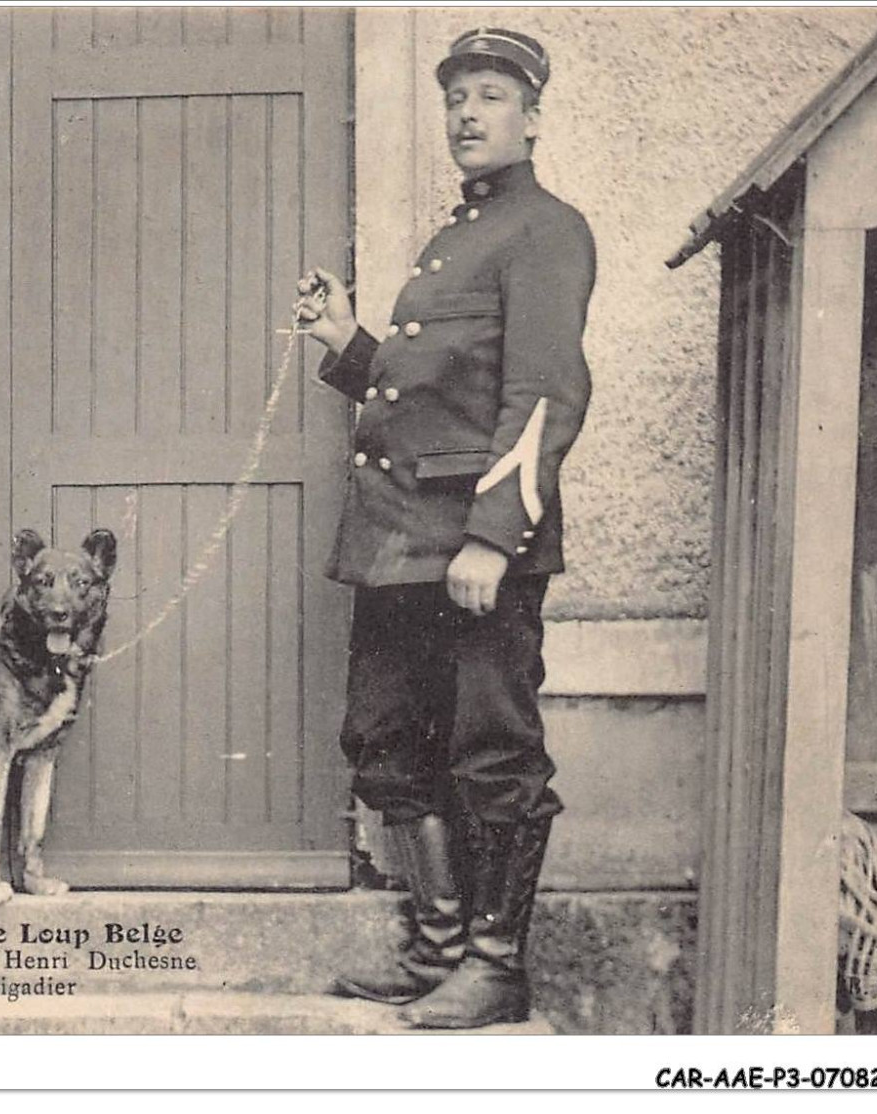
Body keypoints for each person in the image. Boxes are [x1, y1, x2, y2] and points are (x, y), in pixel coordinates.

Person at [294, 27, 594, 1029]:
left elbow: (542, 396)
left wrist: (490, 536)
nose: (466, 114)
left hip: (470, 548)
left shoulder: (543, 229)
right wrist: (349, 348)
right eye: (455, 98)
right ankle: (435, 946)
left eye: (490, 96)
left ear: (532, 117)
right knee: (384, 734)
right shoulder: (455, 234)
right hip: (396, 542)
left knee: (489, 749)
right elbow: (434, 392)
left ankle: (493, 963)